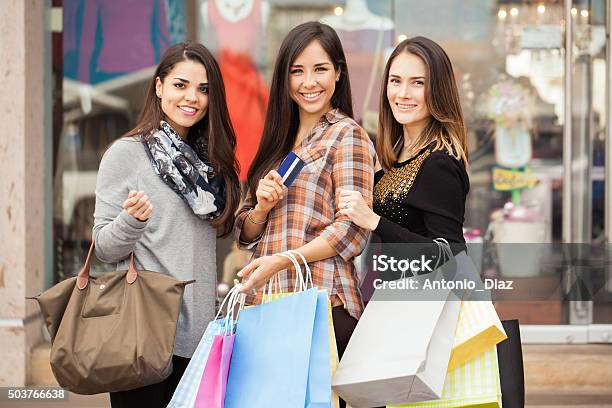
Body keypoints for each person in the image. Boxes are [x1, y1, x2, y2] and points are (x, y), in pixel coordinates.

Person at [234, 21, 375, 407]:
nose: (308, 82)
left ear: (338, 73)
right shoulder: (277, 143)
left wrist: (283, 259)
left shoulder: (348, 136)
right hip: (267, 307)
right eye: (297, 71)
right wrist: (261, 208)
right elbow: (244, 234)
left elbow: (352, 231)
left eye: (319, 69)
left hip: (322, 306)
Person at [92, 41, 240, 408]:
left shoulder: (212, 168)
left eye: (203, 89)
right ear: (159, 87)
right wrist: (132, 220)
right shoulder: (127, 154)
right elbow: (104, 247)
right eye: (180, 85)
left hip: (201, 336)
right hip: (144, 339)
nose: (192, 97)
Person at [338, 36, 469, 251]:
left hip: (418, 285)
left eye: (418, 83)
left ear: (438, 89)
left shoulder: (439, 162)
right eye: (396, 80)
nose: (403, 94)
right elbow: (406, 213)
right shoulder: (403, 151)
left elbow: (450, 252)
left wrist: (373, 221)